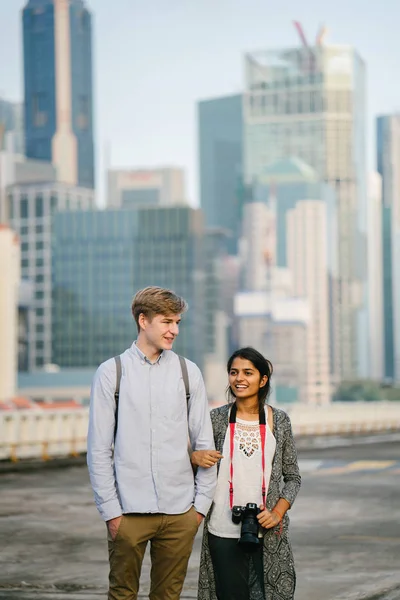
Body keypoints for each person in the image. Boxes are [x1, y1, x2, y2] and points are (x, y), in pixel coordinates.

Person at [87, 286, 217, 600]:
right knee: (122, 595)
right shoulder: (112, 373)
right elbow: (99, 450)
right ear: (143, 320)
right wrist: (112, 513)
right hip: (129, 512)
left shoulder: (189, 373)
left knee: (168, 597)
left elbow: (205, 444)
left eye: (178, 323)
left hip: (180, 511)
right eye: (167, 322)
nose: (174, 330)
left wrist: (198, 509)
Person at [192, 347, 301, 600]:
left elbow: (293, 477)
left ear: (263, 380)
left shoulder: (279, 420)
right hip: (221, 526)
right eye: (234, 372)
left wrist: (277, 513)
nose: (239, 378)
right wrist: (194, 457)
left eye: (248, 373)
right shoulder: (216, 418)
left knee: (270, 593)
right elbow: (192, 463)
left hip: (268, 529)